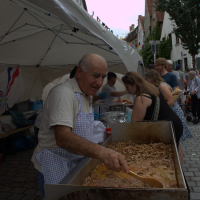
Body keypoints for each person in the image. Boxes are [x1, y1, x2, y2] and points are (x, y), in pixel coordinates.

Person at [31, 54, 129, 199]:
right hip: (55, 163)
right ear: (79, 72)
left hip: (74, 163)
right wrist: (102, 152)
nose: (100, 82)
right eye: (95, 76)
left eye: (103, 77)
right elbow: (63, 138)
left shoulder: (85, 93)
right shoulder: (64, 94)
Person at [121, 71, 183, 147]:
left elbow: (135, 125)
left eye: (127, 87)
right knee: (175, 149)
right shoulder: (151, 89)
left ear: (134, 85)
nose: (126, 90)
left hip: (167, 128)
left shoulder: (141, 98)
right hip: (174, 124)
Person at [145, 70, 194, 164]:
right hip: (172, 112)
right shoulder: (159, 85)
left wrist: (159, 108)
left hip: (174, 112)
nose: (146, 81)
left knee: (176, 142)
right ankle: (179, 164)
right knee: (176, 141)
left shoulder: (162, 86)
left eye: (147, 79)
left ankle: (179, 165)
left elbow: (171, 101)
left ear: (152, 78)